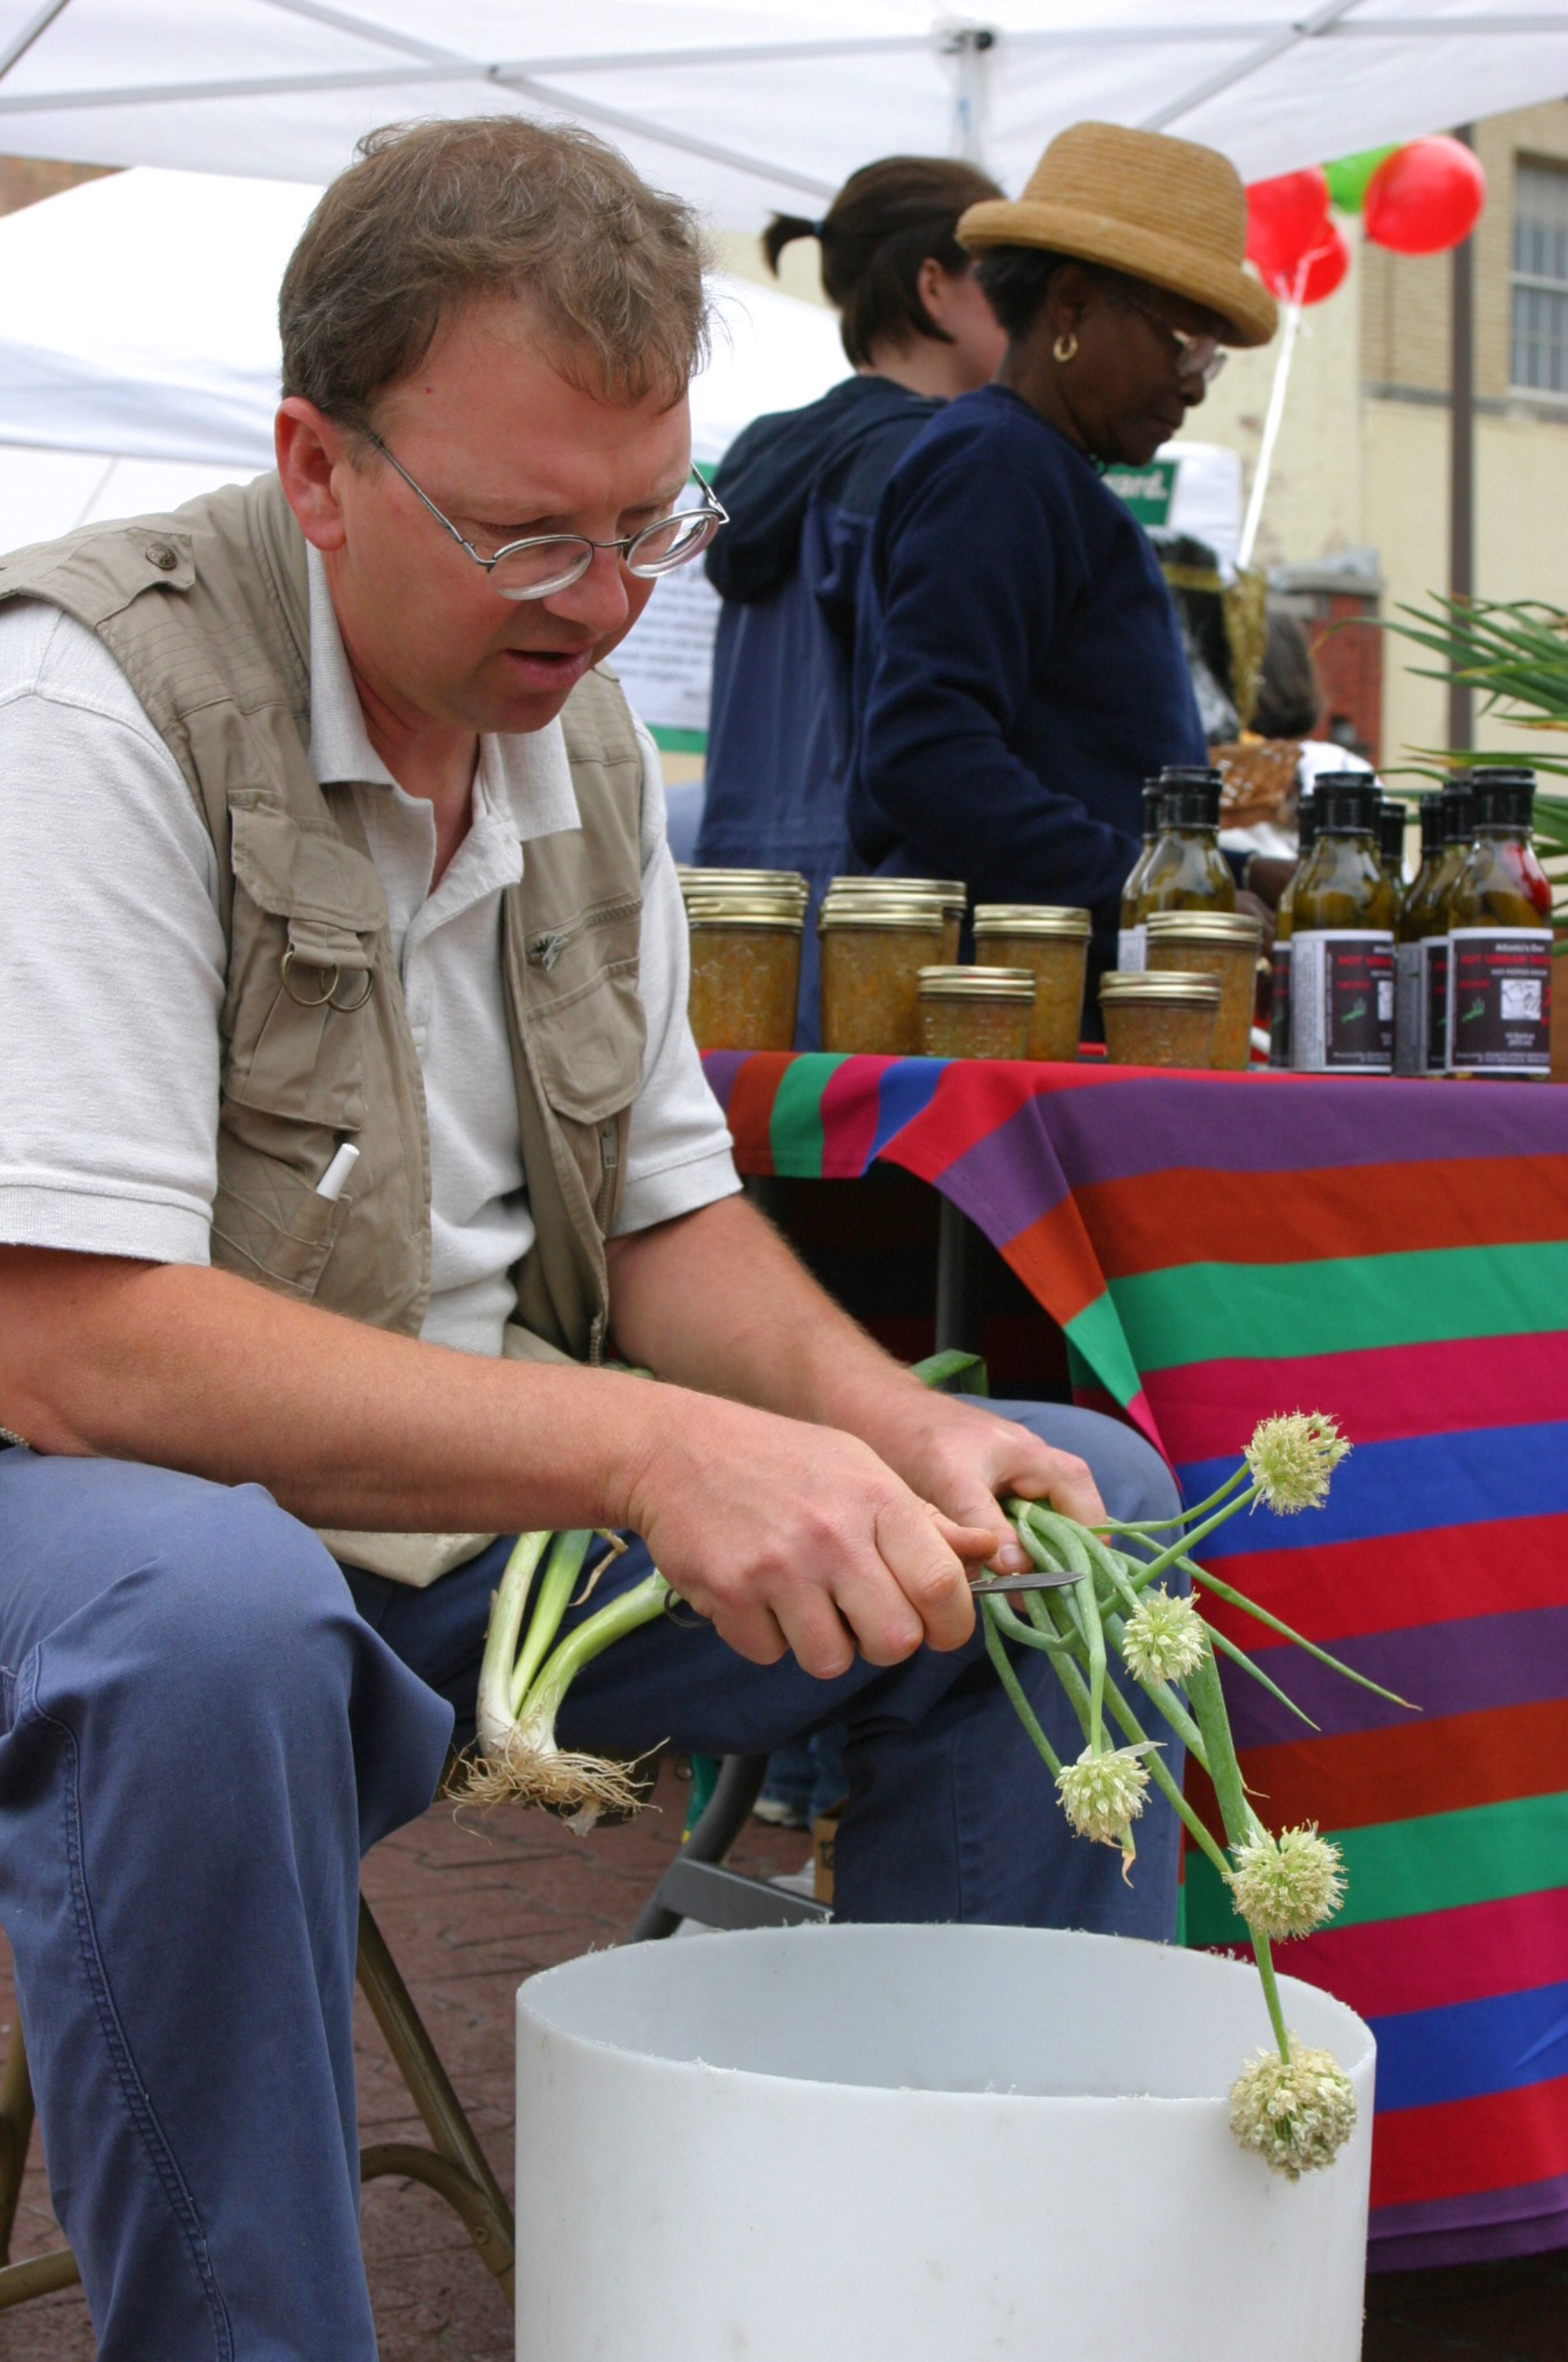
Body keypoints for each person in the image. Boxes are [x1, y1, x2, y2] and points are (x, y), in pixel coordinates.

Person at [0, 118, 1181, 2357]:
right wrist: (650, 1451)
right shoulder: (91, 700)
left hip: (470, 1540)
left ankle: (965, 2289)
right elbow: (72, 1352)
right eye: (526, 531)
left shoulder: (579, 726)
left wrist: (870, 1429)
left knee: (1073, 1523)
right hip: (106, 1530)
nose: (604, 598)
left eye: (654, 526)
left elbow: (667, 1213)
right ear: (315, 465)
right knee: (215, 1616)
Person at [847, 122, 1278, 987]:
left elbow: (1075, 771)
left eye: (1211, 361)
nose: (1195, 384)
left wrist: (1230, 873)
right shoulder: (999, 469)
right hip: (999, 1003)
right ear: (1073, 307)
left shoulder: (1036, 468)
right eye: (1184, 344)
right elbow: (926, 755)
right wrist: (1154, 898)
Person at [697, 156, 1006, 1038]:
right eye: (1007, 280)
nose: (1026, 311)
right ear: (935, 284)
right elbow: (931, 741)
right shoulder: (941, 466)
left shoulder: (773, 451)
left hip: (746, 914)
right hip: (889, 921)